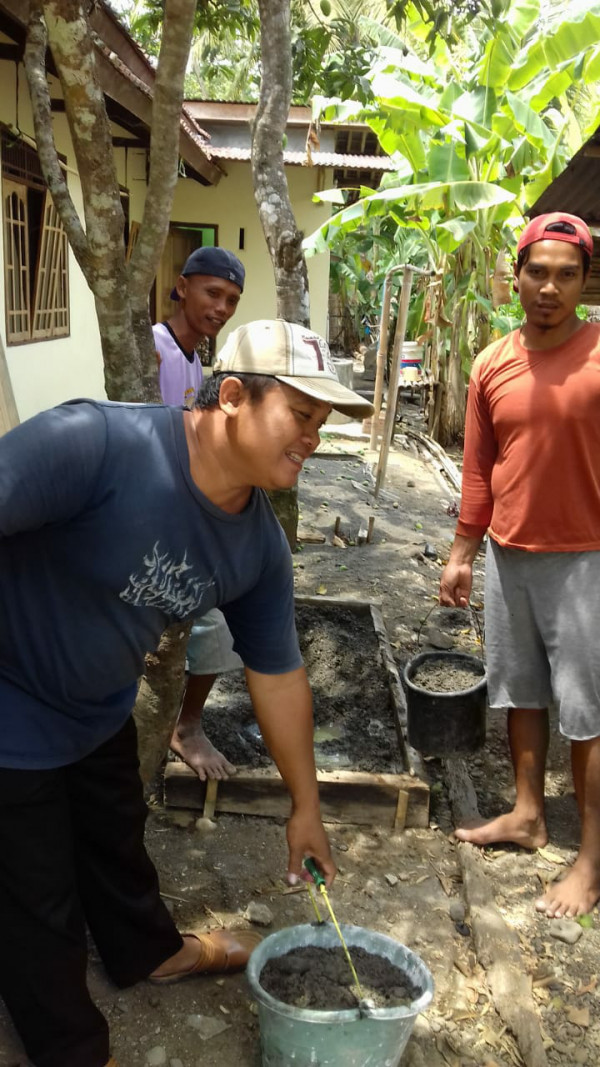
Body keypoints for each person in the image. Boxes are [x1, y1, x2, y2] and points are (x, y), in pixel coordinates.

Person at [0, 318, 373, 1067]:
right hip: (11, 705)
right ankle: (72, 1049)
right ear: (233, 395)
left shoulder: (257, 545)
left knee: (116, 843)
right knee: (37, 903)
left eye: (321, 422)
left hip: (99, 703)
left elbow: (278, 671)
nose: (313, 438)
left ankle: (149, 951)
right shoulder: (95, 444)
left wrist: (305, 806)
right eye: (300, 415)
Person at [439, 212, 600, 921]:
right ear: (517, 275)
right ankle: (529, 814)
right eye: (538, 272)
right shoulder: (491, 363)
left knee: (587, 715)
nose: (549, 288)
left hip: (586, 562)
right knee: (521, 692)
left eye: (567, 275)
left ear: (586, 283)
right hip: (508, 555)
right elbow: (480, 469)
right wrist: (462, 551)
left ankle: (591, 860)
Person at [154, 246, 245, 781]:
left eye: (232, 298)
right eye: (213, 293)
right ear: (182, 286)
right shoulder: (155, 348)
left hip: (186, 512)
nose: (222, 307)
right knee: (211, 621)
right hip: (159, 516)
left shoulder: (193, 360)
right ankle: (184, 728)